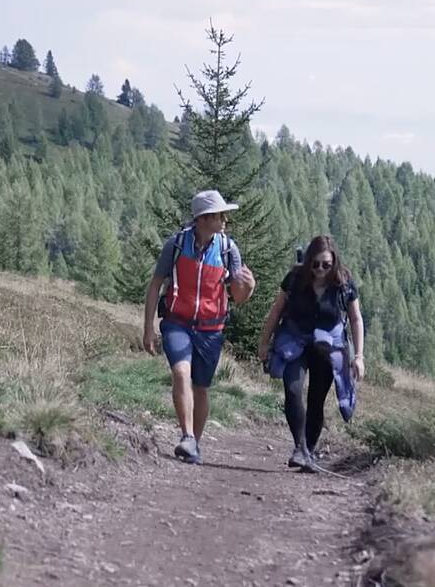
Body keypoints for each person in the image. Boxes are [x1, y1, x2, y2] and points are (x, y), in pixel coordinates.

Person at [142, 190, 256, 464]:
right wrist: (148, 328)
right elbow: (156, 284)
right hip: (176, 323)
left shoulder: (229, 250)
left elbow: (237, 297)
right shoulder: (177, 244)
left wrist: (248, 288)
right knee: (181, 373)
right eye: (220, 215)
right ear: (203, 219)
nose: (225, 220)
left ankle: (195, 443)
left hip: (211, 329)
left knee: (201, 386)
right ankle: (187, 437)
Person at [257, 235, 365, 471]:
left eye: (326, 264)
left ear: (334, 262)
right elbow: (276, 312)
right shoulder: (295, 279)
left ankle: (309, 451)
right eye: (315, 264)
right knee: (293, 390)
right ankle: (300, 448)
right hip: (294, 341)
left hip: (328, 347)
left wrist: (359, 356)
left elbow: (356, 319)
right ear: (308, 261)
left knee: (316, 400)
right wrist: (264, 344)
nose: (320, 269)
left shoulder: (344, 283)